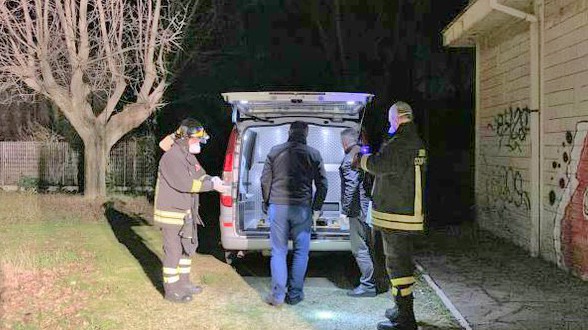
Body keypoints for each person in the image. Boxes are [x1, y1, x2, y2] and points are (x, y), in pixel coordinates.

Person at [357, 102, 427, 330]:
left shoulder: (401, 143)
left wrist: (361, 159)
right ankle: (400, 310)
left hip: (397, 215)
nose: (389, 124)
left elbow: (380, 165)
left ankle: (406, 320)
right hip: (405, 214)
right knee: (399, 265)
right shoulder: (412, 141)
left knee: (398, 267)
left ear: (397, 118)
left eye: (391, 120)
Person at [154, 118, 230, 303]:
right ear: (185, 139)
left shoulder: (188, 156)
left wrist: (214, 179)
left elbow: (200, 174)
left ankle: (184, 283)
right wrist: (212, 186)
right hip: (171, 213)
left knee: (186, 249)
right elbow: (186, 184)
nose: (199, 144)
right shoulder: (171, 157)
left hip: (186, 212)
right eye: (196, 140)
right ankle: (171, 290)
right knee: (173, 252)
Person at [260, 121, 328, 306]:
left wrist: (266, 202)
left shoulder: (275, 151)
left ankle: (277, 296)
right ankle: (295, 295)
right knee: (301, 253)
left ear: (289, 132)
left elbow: (265, 180)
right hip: (302, 209)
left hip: (278, 206)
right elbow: (323, 184)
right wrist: (316, 208)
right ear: (306, 133)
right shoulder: (313, 154)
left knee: (279, 252)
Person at [339, 127, 376, 297]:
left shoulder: (350, 158)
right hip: (367, 207)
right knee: (368, 246)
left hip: (357, 209)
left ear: (345, 141)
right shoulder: (363, 154)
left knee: (359, 248)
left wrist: (344, 211)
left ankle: (367, 286)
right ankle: (373, 281)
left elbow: (351, 186)